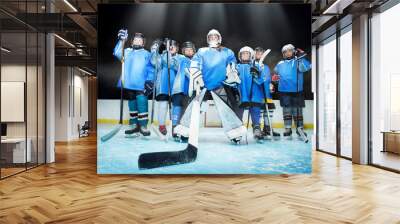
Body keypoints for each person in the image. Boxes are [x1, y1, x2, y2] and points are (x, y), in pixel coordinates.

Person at [175, 29, 246, 144]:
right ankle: (185, 132)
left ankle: (235, 133)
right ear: (208, 39)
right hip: (203, 85)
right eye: (211, 37)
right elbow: (195, 64)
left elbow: (232, 64)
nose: (213, 38)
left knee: (227, 109)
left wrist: (231, 72)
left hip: (220, 85)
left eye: (215, 36)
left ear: (219, 38)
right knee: (192, 108)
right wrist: (197, 76)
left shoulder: (227, 52)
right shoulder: (202, 51)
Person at [113, 30, 152, 137]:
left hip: (141, 83)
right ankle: (134, 125)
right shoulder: (126, 51)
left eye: (139, 40)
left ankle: (143, 126)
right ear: (131, 41)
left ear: (143, 43)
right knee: (132, 104)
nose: (137, 41)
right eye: (135, 39)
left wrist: (150, 81)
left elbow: (151, 68)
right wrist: (121, 40)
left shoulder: (147, 54)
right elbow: (117, 53)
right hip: (129, 83)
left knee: (142, 102)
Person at [274, 44, 311, 137]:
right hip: (284, 90)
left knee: (297, 110)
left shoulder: (298, 61)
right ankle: (288, 128)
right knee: (286, 110)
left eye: (290, 50)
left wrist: (301, 58)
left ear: (294, 51)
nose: (287, 53)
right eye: (285, 52)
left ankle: (299, 129)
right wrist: (275, 79)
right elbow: (276, 75)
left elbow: (305, 68)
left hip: (297, 90)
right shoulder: (280, 64)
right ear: (283, 54)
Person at [237, 46, 267, 141]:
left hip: (255, 94)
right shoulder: (236, 66)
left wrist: (257, 75)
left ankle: (256, 128)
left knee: (255, 110)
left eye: (247, 54)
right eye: (243, 54)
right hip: (242, 93)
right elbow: (232, 80)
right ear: (240, 56)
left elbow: (263, 80)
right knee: (238, 112)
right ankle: (237, 129)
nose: (245, 55)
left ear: (251, 55)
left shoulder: (257, 66)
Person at [152, 39, 180, 136]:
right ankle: (161, 125)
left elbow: (171, 64)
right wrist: (154, 51)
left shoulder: (179, 58)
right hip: (163, 87)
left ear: (177, 49)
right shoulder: (161, 56)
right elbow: (155, 63)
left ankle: (175, 126)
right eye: (169, 46)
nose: (171, 48)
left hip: (175, 88)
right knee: (163, 106)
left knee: (174, 108)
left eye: (173, 46)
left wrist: (168, 53)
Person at [171, 41, 196, 142]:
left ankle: (185, 130)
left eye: (191, 50)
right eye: (186, 50)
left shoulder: (196, 61)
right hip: (178, 89)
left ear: (194, 52)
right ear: (183, 51)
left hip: (190, 91)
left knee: (186, 111)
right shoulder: (180, 58)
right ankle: (174, 129)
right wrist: (172, 53)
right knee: (176, 109)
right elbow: (172, 63)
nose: (189, 52)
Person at [254, 47, 281, 138]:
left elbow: (268, 79)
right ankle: (259, 130)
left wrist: (271, 86)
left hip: (267, 93)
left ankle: (268, 129)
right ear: (254, 54)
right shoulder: (253, 65)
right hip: (258, 94)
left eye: (261, 53)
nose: (259, 55)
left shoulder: (266, 67)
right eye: (257, 53)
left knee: (268, 112)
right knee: (260, 112)